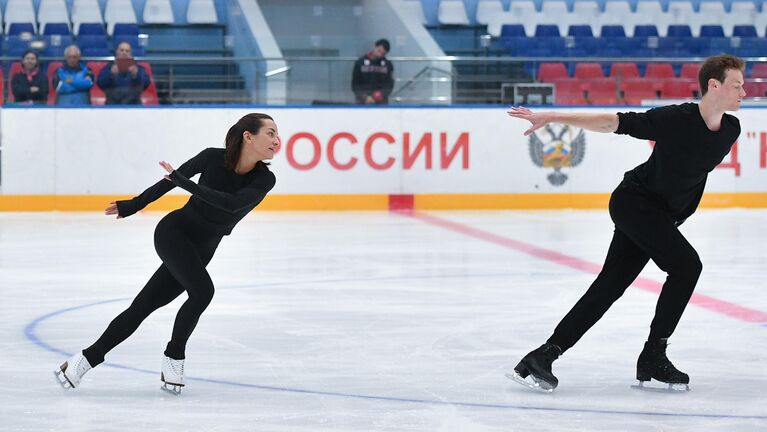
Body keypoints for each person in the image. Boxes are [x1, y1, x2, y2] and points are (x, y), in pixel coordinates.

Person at [507, 54, 745, 393]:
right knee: (687, 266)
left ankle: (542, 357)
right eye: (737, 85)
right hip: (635, 203)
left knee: (610, 286)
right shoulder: (676, 118)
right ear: (714, 85)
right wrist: (554, 116)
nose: (744, 92)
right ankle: (653, 354)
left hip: (660, 215)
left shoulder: (730, 130)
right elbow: (614, 122)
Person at [54, 113, 279, 395]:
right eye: (270, 133)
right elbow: (170, 180)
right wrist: (134, 204)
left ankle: (83, 361)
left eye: (276, 134)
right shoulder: (211, 157)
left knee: (143, 307)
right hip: (174, 233)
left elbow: (231, 204)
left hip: (202, 249)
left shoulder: (264, 180)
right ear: (249, 136)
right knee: (203, 292)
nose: (276, 140)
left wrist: (187, 183)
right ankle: (174, 356)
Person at [351, 38, 394, 105]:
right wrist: (365, 97)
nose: (380, 55)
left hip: (381, 103)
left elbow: (389, 85)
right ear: (374, 46)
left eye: (383, 53)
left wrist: (380, 94)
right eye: (379, 51)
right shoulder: (360, 63)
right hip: (362, 103)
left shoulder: (388, 65)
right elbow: (355, 85)